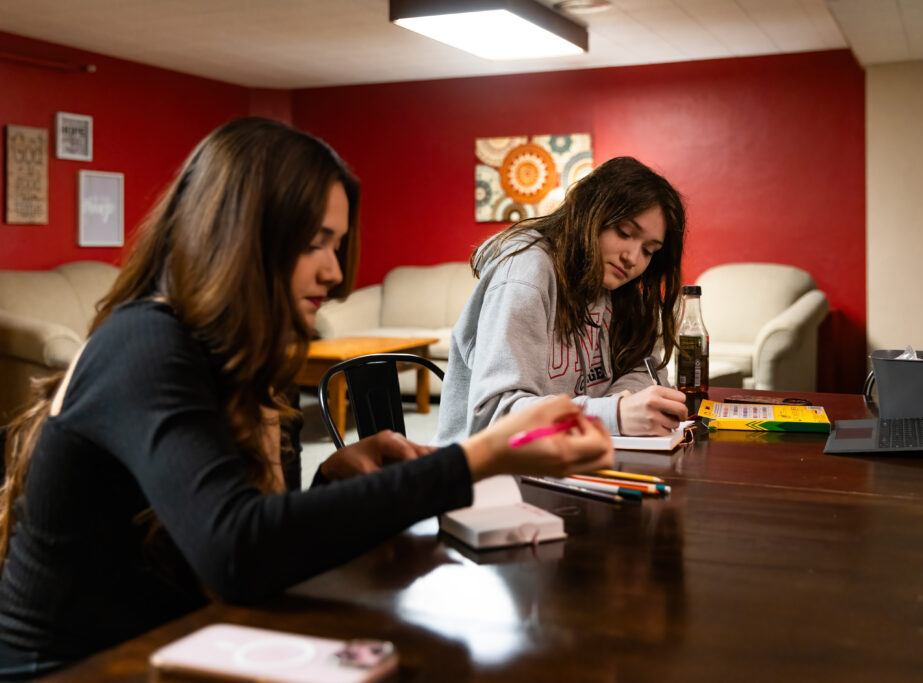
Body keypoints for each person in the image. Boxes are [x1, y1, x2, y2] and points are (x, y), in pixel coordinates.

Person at [0, 117, 613, 678]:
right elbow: (238, 552)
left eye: (337, 245)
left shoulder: (237, 357)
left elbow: (247, 532)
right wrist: (479, 457)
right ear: (241, 236)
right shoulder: (145, 345)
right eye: (315, 243)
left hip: (183, 646)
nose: (336, 274)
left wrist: (331, 487)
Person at [434, 156, 689, 445]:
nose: (632, 258)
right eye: (624, 233)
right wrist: (612, 415)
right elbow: (494, 417)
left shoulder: (619, 286)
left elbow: (644, 370)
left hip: (572, 461)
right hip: (488, 478)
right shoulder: (525, 273)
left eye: (649, 250)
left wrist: (622, 405)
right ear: (589, 213)